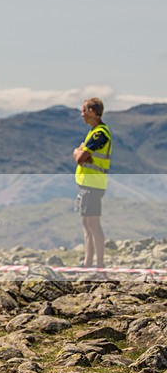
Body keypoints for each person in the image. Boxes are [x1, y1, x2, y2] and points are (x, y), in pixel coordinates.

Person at [73, 97, 112, 268]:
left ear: (91, 111)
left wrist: (78, 151)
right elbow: (81, 155)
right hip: (87, 185)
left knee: (93, 224)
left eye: (84, 110)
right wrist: (79, 152)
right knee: (87, 223)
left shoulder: (99, 134)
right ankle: (88, 263)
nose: (82, 114)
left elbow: (80, 157)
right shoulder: (93, 132)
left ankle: (99, 265)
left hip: (93, 185)